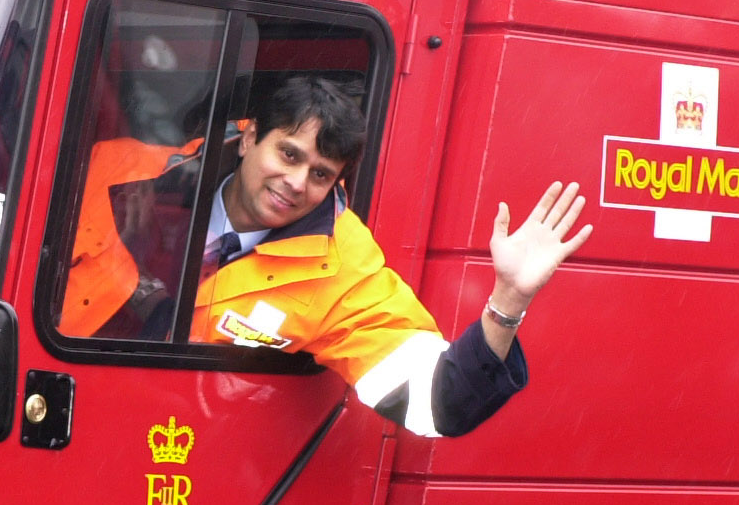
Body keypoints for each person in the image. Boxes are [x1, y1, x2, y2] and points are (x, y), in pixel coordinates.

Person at [59, 75, 590, 437]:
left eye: (320, 174)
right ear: (248, 139)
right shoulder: (117, 170)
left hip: (167, 466)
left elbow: (441, 404)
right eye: (288, 154)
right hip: (48, 420)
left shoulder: (345, 269)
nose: (295, 184)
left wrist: (507, 301)